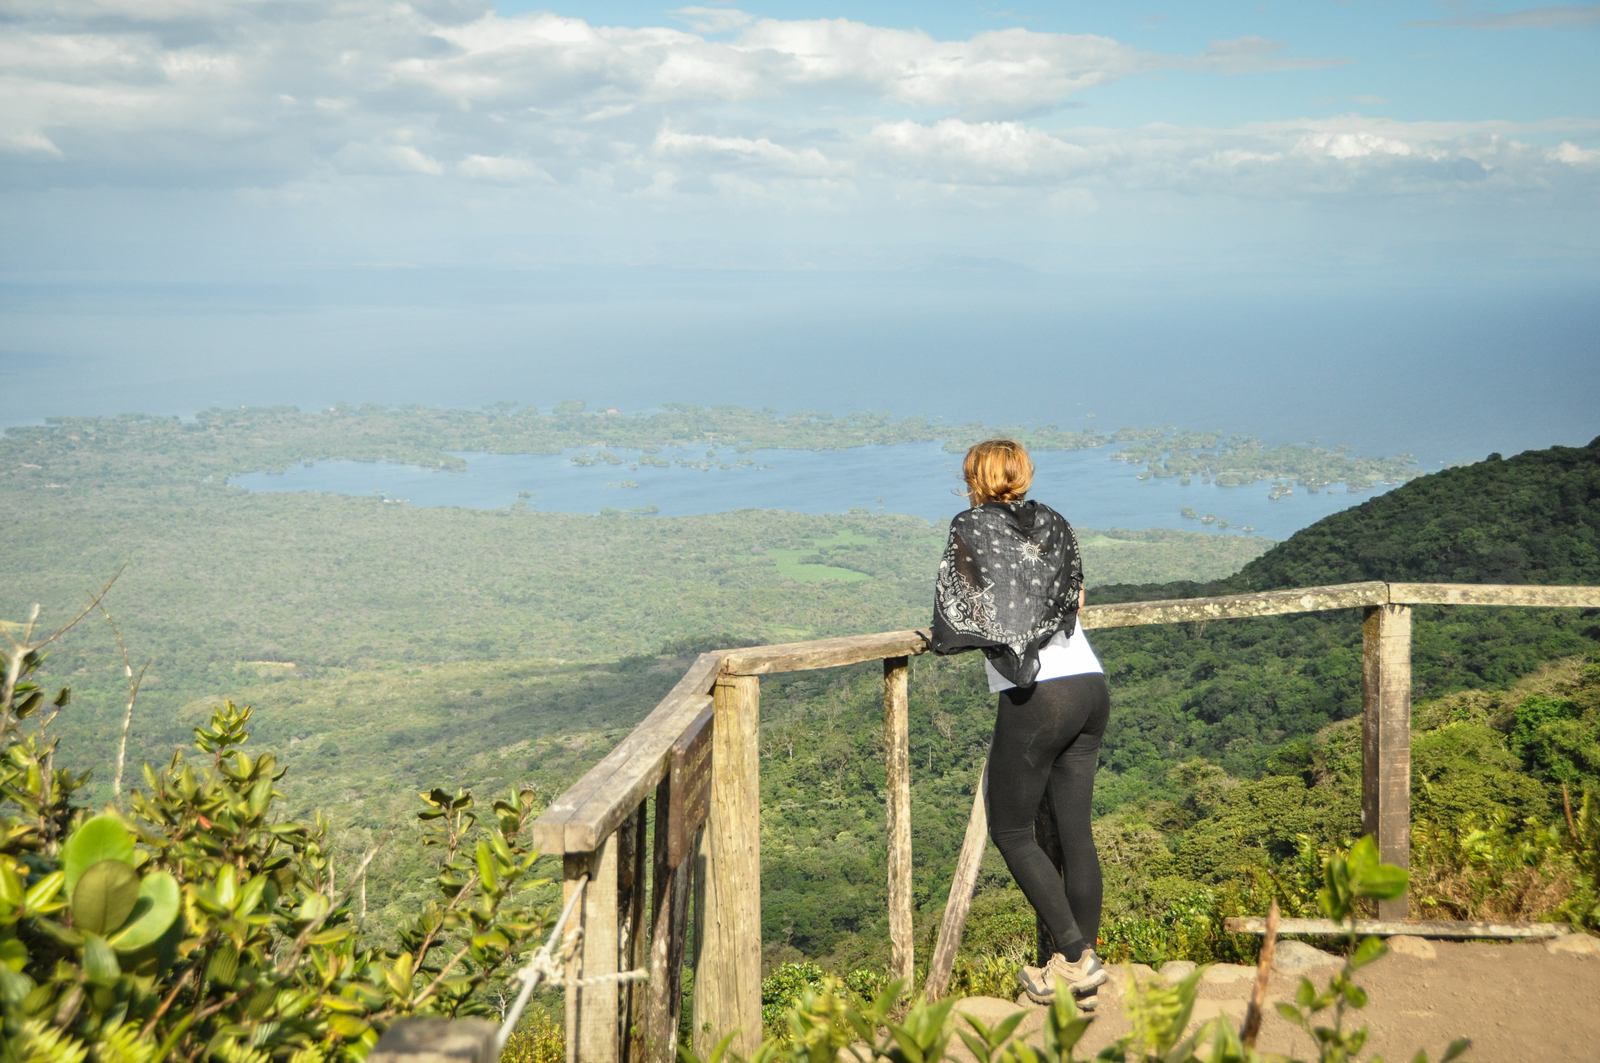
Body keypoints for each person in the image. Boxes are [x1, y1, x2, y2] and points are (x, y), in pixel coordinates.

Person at [929, 438, 1110, 1007]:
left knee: (1011, 830)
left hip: (1040, 694)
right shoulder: (1054, 522)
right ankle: (1080, 970)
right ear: (1024, 475)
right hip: (1089, 682)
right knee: (1076, 834)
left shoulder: (972, 526)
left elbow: (961, 611)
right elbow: (1074, 598)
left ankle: (1076, 958)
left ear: (973, 480)